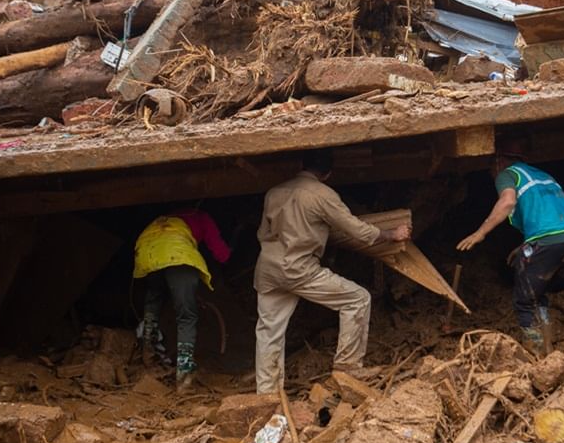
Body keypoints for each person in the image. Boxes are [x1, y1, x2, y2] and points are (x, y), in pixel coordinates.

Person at [254, 149, 410, 394]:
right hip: (300, 269)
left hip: (268, 269)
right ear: (327, 173)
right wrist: (391, 234)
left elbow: (263, 233)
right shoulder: (323, 195)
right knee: (357, 299)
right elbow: (355, 229)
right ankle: (347, 368)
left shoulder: (275, 192)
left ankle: (267, 393)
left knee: (269, 330)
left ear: (302, 165)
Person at [457, 152, 564, 352]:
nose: (492, 176)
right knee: (538, 293)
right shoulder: (542, 174)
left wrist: (480, 233)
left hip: (548, 240)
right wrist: (525, 246)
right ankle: (547, 343)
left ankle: (535, 350)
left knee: (523, 301)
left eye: (490, 169)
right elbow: (548, 215)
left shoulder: (507, 173)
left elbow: (508, 202)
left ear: (498, 163)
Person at [133, 208, 231, 390]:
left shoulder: (166, 216)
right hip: (176, 253)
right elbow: (220, 253)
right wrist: (230, 258)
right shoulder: (202, 216)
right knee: (186, 316)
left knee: (155, 296)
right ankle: (184, 375)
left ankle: (148, 350)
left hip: (147, 250)